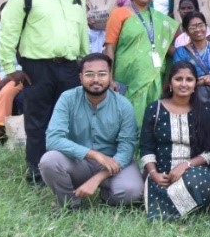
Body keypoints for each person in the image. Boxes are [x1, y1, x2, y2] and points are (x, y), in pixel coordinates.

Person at [0, 0, 90, 182]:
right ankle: (37, 174)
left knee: (70, 122)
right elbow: (8, 32)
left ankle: (68, 171)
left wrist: (84, 64)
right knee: (38, 123)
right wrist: (11, 69)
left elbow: (82, 31)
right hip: (37, 69)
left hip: (69, 68)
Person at [39, 54, 143, 210]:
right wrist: (94, 154)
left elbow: (127, 149)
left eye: (102, 74)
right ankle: (71, 203)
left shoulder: (123, 105)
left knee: (132, 192)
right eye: (89, 74)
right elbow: (53, 139)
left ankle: (106, 194)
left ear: (110, 76)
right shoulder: (68, 99)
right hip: (78, 162)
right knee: (49, 161)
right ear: (80, 77)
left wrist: (98, 178)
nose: (96, 80)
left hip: (114, 163)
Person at [138, 62, 210, 219]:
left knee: (201, 180)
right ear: (170, 83)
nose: (183, 84)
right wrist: (154, 173)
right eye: (178, 79)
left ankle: (181, 209)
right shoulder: (155, 109)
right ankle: (183, 209)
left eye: (189, 80)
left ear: (195, 84)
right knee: (161, 185)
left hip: (192, 172)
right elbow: (146, 147)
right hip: (161, 174)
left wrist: (186, 165)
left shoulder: (205, 111)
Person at [104, 0, 179, 128]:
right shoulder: (119, 13)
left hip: (154, 75)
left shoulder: (160, 18)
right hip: (126, 75)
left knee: (152, 116)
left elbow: (168, 48)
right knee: (127, 117)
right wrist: (109, 78)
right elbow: (110, 46)